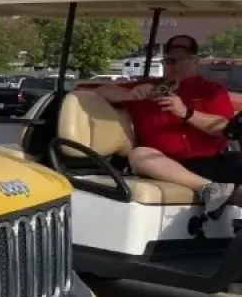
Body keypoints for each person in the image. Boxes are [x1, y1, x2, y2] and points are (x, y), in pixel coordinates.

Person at [92, 34, 241, 217]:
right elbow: (101, 90)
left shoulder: (211, 90)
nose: (174, 66)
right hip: (167, 163)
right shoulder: (148, 88)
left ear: (195, 60)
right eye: (169, 60)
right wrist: (130, 95)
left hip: (212, 161)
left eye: (181, 59)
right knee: (140, 154)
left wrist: (186, 113)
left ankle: (228, 211)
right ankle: (209, 189)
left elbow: (224, 127)